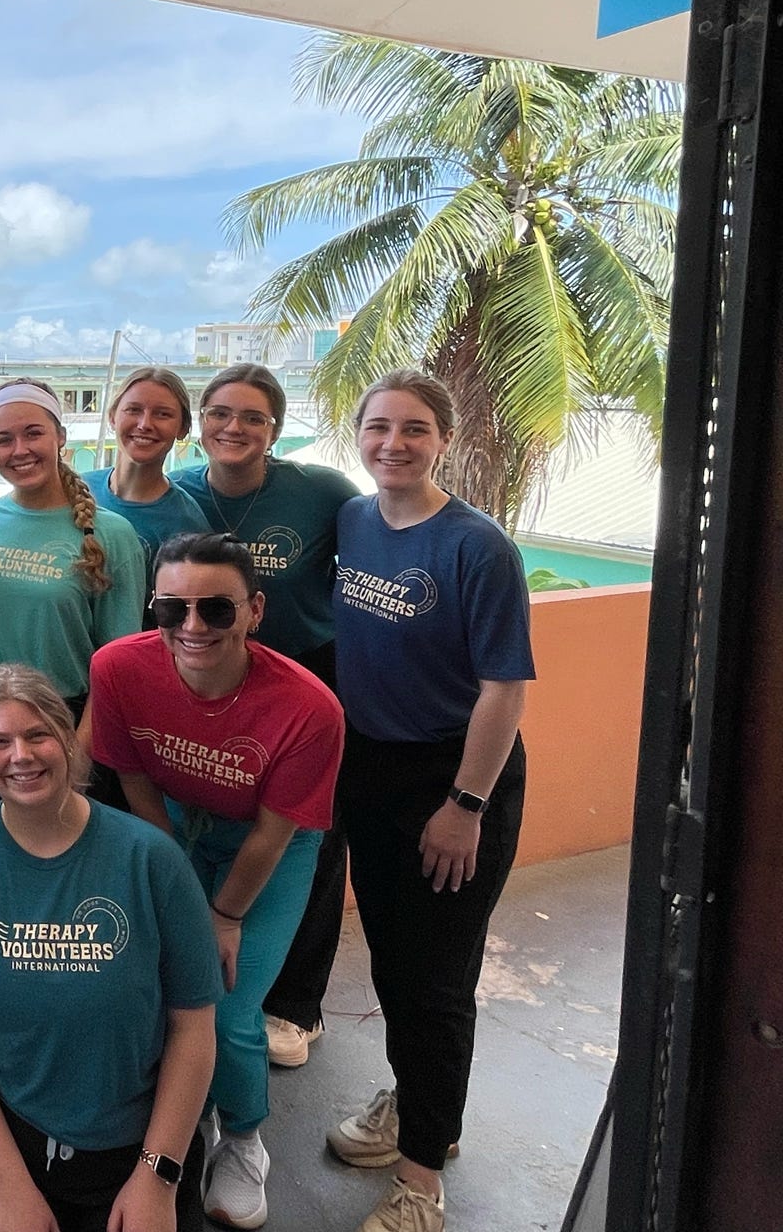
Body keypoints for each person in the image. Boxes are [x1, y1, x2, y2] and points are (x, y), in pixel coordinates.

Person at [323, 370, 534, 1232]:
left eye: (414, 428)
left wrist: (466, 804)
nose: (394, 444)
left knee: (437, 979)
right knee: (393, 962)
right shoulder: (353, 521)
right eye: (378, 427)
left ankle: (421, 1181)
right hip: (371, 768)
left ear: (443, 439)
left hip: (455, 777)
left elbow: (504, 689)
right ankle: (418, 1106)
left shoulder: (478, 547)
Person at [89, 532, 344, 1230]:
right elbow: (133, 778)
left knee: (225, 1007)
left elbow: (274, 833)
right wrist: (177, 883)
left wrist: (224, 916)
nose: (192, 626)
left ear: (255, 610)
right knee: (146, 982)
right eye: (173, 609)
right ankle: (183, 1110)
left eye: (216, 609)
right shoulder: (118, 668)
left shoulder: (308, 707)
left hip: (266, 845)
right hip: (171, 828)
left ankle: (243, 1135)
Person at [0, 663, 221, 1232]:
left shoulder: (152, 860)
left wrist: (157, 1175)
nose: (21, 756)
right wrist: (10, 1185)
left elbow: (193, 1027)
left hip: (135, 1143)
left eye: (38, 735)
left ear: (69, 739)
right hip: (7, 1136)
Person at [170, 362, 357, 1068]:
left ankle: (297, 1005)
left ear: (275, 430)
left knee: (311, 837)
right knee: (209, 821)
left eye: (253, 416)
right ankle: (209, 980)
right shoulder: (181, 491)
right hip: (209, 681)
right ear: (201, 423)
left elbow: (377, 556)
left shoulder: (323, 492)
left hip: (307, 679)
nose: (235, 427)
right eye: (220, 413)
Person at [0, 377, 147, 722]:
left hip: (61, 717)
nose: (19, 450)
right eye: (4, 439)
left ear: (60, 436)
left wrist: (81, 746)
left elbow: (117, 668)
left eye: (33, 433)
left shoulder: (113, 534)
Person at [82, 367, 213, 572]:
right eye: (133, 410)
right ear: (112, 417)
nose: (145, 424)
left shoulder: (187, 524)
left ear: (183, 428)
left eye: (163, 414)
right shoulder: (76, 489)